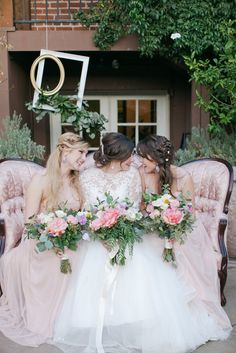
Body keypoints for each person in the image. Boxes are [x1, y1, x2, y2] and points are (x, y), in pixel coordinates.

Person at [52, 132, 231, 353]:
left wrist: (122, 226)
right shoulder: (87, 177)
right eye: (131, 154)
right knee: (93, 267)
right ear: (120, 154)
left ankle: (137, 322)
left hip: (127, 233)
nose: (135, 159)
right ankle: (102, 324)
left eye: (139, 156)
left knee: (142, 267)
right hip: (97, 237)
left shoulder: (133, 176)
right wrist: (101, 230)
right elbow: (85, 210)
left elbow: (136, 208)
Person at [0, 132, 88, 346]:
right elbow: (30, 223)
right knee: (61, 261)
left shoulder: (78, 183)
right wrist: (54, 237)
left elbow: (82, 216)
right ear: (65, 151)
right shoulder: (40, 181)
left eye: (86, 153)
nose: (84, 158)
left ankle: (78, 319)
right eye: (81, 152)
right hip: (42, 241)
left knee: (89, 256)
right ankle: (51, 320)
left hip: (71, 239)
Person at [136, 134, 232, 331]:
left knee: (175, 251)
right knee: (143, 251)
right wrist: (154, 217)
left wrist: (171, 223)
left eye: (144, 156)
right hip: (153, 227)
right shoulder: (142, 174)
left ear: (156, 157)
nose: (140, 161)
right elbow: (142, 206)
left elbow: (190, 212)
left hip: (180, 229)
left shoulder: (182, 177)